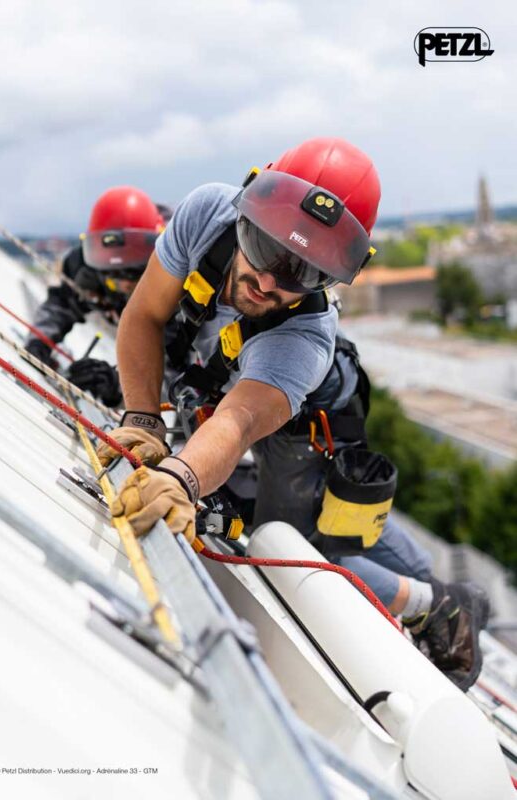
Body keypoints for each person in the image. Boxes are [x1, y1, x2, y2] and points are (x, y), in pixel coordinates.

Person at [97, 137, 489, 691]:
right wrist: (142, 419)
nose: (268, 281)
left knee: (293, 546)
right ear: (247, 208)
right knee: (279, 519)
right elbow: (144, 317)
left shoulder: (304, 337)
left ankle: (441, 602)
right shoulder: (208, 212)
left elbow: (237, 423)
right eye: (264, 245)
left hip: (310, 422)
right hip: (240, 385)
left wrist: (181, 478)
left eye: (302, 272)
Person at [25, 187, 169, 406]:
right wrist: (39, 341)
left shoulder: (176, 280)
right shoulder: (87, 269)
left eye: (132, 267)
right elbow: (61, 305)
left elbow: (178, 374)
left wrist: (117, 387)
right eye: (115, 270)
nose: (125, 282)